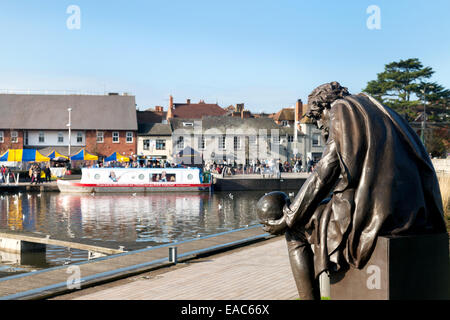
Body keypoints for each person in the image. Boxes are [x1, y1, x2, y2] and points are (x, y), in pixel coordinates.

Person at [262, 81, 447, 300]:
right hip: (415, 213)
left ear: (324, 107)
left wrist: (289, 217)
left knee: (296, 231)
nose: (322, 128)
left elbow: (325, 172)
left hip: (381, 216)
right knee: (319, 212)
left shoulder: (341, 109)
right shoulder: (380, 110)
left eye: (320, 122)